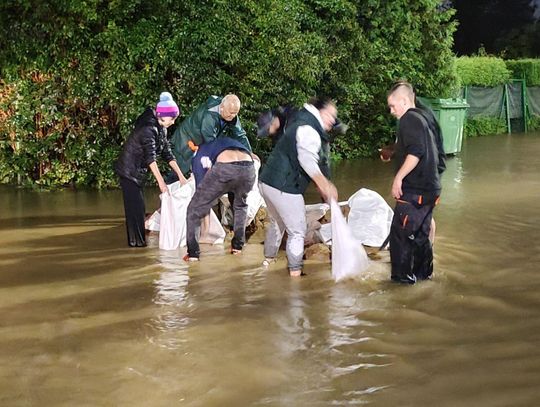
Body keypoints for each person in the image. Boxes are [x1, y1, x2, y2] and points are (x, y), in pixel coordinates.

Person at [258, 97, 338, 277]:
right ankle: (295, 274)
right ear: (319, 111)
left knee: (277, 222)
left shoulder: (301, 119)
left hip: (266, 182)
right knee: (297, 230)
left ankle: (268, 261)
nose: (333, 120)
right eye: (330, 115)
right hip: (284, 186)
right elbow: (307, 160)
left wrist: (322, 184)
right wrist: (325, 184)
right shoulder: (309, 129)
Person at [385, 81, 445, 284]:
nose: (391, 111)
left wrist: (398, 178)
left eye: (393, 106)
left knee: (401, 239)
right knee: (420, 237)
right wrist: (393, 152)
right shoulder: (425, 116)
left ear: (404, 101)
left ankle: (401, 285)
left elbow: (416, 152)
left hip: (414, 191)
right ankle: (424, 278)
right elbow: (422, 147)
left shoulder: (408, 119)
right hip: (431, 188)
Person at [115, 92, 187, 247]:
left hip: (138, 172)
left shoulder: (162, 127)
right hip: (129, 172)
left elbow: (167, 153)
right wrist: (161, 183)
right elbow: (151, 159)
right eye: (172, 118)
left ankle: (138, 243)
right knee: (135, 210)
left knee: (139, 209)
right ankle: (136, 245)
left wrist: (181, 177)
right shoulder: (148, 128)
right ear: (162, 115)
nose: (174, 122)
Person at [183, 137, 257, 261]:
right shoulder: (220, 143)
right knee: (240, 205)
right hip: (249, 167)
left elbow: (200, 188)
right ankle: (238, 246)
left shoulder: (199, 154)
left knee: (193, 210)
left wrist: (203, 220)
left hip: (226, 168)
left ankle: (193, 254)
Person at [169, 94, 254, 179]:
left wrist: (248, 152)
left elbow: (240, 134)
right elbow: (210, 140)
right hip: (186, 139)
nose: (233, 116)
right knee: (179, 170)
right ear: (222, 107)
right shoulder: (209, 115)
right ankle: (167, 188)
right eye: (231, 113)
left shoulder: (230, 112)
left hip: (200, 143)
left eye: (236, 113)